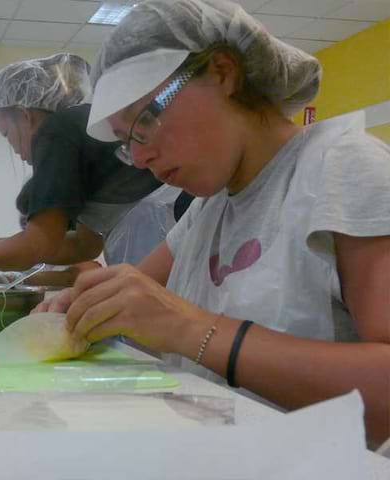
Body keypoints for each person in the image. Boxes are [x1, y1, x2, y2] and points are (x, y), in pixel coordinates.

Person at [37, 0, 390, 445]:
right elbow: (129, 293)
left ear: (223, 72)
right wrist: (81, 306)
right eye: (128, 144)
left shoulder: (342, 168)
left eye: (145, 120)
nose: (141, 157)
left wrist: (192, 329)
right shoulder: (209, 210)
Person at [0, 54, 168, 275]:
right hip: (156, 232)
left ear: (25, 116)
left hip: (154, 235)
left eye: (7, 134)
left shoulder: (56, 130)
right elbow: (84, 246)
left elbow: (39, 242)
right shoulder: (81, 126)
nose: (14, 149)